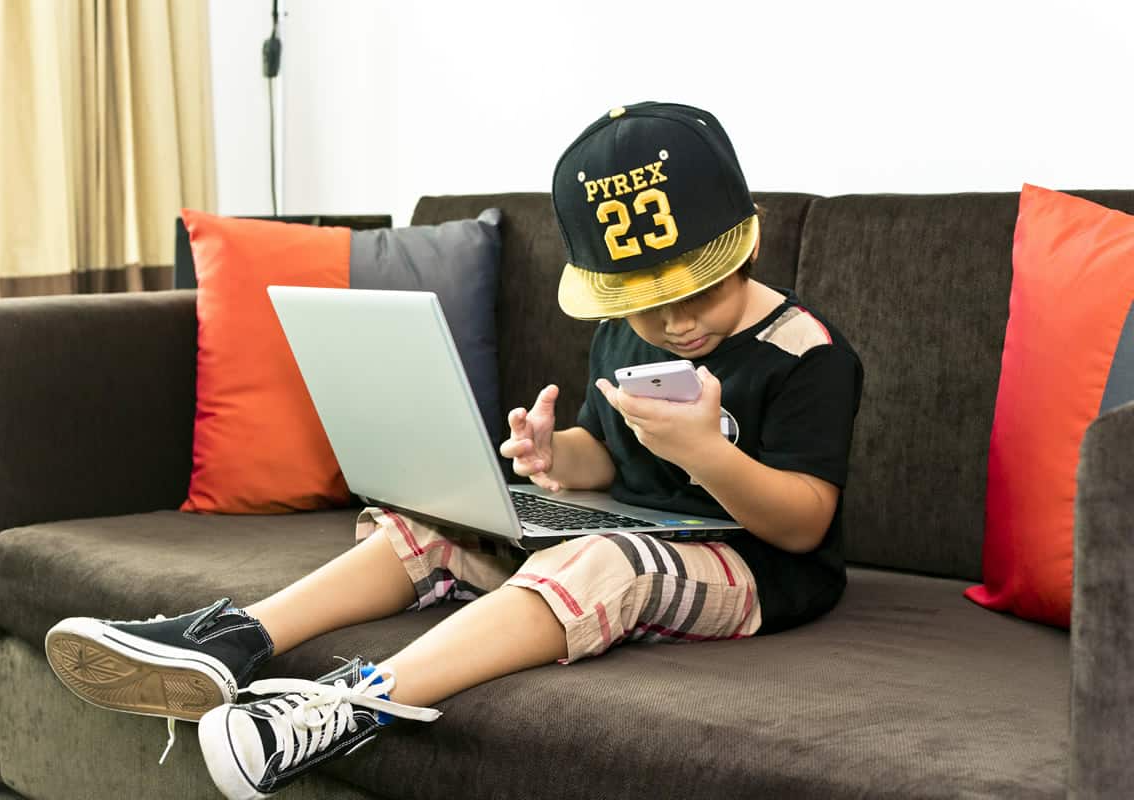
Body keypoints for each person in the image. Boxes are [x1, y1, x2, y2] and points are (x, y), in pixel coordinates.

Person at [44, 100, 863, 800]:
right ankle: (235, 638)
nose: (679, 324)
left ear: (745, 247)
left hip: (758, 571)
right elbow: (609, 458)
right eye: (651, 309)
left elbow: (803, 526)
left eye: (700, 292)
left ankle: (344, 709)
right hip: (643, 527)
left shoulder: (807, 354)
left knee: (609, 558)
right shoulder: (620, 334)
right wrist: (552, 457)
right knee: (452, 517)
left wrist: (708, 456)